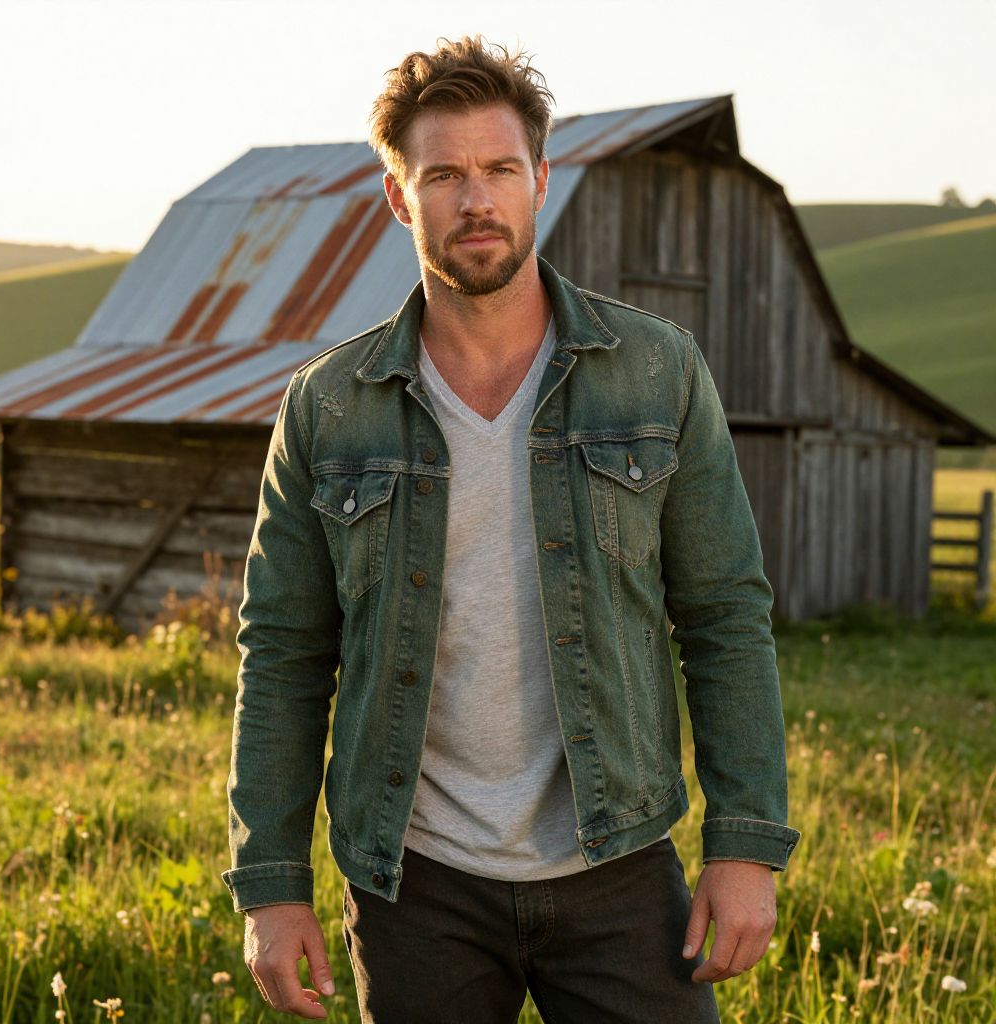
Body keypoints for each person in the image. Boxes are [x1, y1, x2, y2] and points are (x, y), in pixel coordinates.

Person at [222, 35, 801, 1024]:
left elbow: (721, 611)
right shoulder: (328, 405)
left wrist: (744, 847)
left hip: (617, 863)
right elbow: (281, 648)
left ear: (540, 181)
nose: (475, 200)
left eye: (498, 170)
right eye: (442, 174)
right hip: (415, 883)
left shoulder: (657, 370)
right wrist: (272, 883)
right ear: (400, 199)